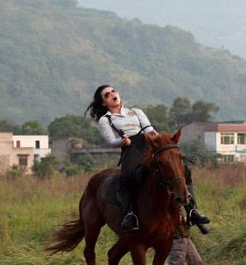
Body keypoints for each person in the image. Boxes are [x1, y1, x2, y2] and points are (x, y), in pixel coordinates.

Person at [86, 85, 211, 232]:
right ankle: (130, 215)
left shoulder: (135, 111)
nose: (112, 94)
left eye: (113, 91)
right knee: (129, 177)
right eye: (107, 94)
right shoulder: (105, 119)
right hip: (130, 148)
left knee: (182, 170)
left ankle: (192, 211)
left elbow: (148, 129)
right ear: (103, 103)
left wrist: (160, 140)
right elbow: (110, 140)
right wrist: (122, 141)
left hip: (149, 145)